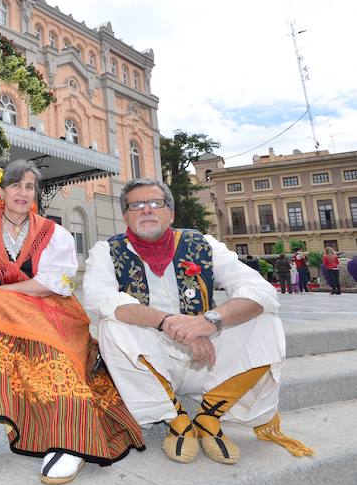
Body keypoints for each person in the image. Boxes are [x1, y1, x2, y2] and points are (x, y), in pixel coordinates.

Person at [82, 178, 312, 467]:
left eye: (156, 203)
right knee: (112, 321)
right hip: (150, 364)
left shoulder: (203, 244)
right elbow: (98, 297)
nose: (146, 210)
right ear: (125, 215)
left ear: (171, 213)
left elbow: (260, 290)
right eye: (136, 205)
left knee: (264, 316)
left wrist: (210, 322)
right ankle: (176, 417)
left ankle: (209, 415)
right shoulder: (107, 250)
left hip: (207, 359)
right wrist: (168, 322)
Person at [0, 160, 145, 485]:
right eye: (15, 185)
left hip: (51, 309)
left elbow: (50, 284)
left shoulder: (52, 232)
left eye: (29, 187)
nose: (22, 192)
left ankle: (73, 431)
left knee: (26, 330)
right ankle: (1, 398)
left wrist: (1, 293)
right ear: (0, 190)